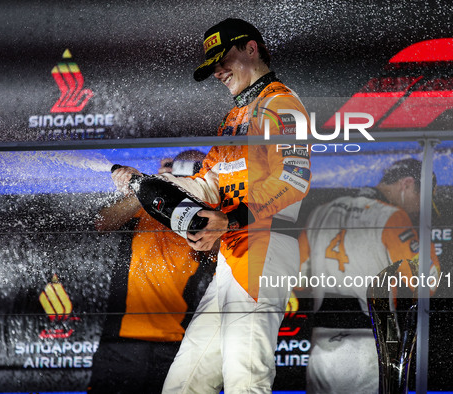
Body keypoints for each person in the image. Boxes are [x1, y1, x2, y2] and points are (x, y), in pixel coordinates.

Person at [129, 18, 311, 393]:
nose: (218, 72)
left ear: (251, 48)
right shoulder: (233, 119)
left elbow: (294, 180)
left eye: (223, 59)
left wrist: (229, 220)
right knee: (185, 383)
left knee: (245, 378)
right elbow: (207, 184)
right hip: (233, 255)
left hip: (265, 249)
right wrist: (146, 182)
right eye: (213, 65)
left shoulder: (282, 103)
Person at [298, 158, 441, 394]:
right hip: (370, 348)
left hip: (322, 346)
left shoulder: (320, 213)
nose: (419, 209)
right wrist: (424, 240)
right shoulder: (393, 218)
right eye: (422, 200)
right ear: (406, 184)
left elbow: (299, 280)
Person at [88, 150, 215, 394]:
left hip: (175, 344)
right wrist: (151, 188)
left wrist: (186, 196)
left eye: (191, 172)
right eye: (176, 170)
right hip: (123, 340)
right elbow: (103, 222)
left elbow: (215, 250)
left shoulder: (207, 215)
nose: (181, 177)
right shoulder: (145, 205)